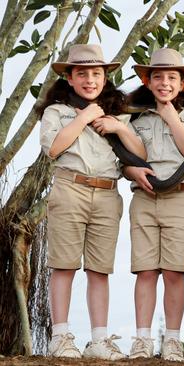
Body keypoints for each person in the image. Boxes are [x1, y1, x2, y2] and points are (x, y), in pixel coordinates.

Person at [39, 44, 145, 360]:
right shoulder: (56, 112)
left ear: (105, 78)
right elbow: (54, 149)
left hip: (108, 194)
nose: (90, 80)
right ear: (69, 78)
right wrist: (84, 117)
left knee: (99, 270)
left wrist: (117, 127)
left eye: (96, 73)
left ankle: (99, 339)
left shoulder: (116, 117)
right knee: (64, 265)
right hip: (71, 189)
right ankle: (61, 336)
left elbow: (139, 155)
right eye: (82, 73)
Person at [124, 48, 184, 362]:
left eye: (172, 77)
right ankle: (142, 339)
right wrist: (131, 169)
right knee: (145, 271)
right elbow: (127, 155)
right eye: (157, 76)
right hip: (144, 198)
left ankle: (172, 340)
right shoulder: (136, 116)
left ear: (183, 83)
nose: (164, 82)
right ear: (148, 81)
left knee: (174, 272)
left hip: (181, 197)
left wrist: (171, 114)